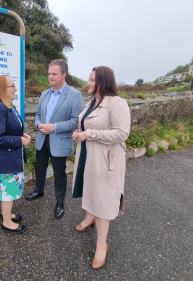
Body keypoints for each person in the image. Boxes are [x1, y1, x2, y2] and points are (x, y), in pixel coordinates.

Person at [71, 66, 131, 269]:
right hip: (87, 156)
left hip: (106, 161)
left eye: (92, 79)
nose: (88, 83)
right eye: (88, 79)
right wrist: (78, 133)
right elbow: (85, 125)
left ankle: (101, 245)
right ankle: (89, 218)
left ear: (103, 81)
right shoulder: (92, 102)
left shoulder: (117, 103)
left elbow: (122, 133)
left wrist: (90, 134)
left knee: (103, 201)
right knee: (89, 190)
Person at [25, 59, 83, 218]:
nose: (50, 77)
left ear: (64, 74)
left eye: (54, 74)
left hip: (60, 140)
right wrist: (38, 125)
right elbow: (37, 116)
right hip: (42, 138)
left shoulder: (75, 95)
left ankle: (60, 202)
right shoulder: (44, 94)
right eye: (49, 73)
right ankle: (39, 191)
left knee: (59, 173)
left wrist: (54, 127)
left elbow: (75, 121)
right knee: (39, 167)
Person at [0, 75, 31, 234]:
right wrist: (19, 141)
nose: (16, 89)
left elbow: (12, 128)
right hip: (4, 161)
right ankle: (7, 222)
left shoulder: (9, 106)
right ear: (3, 89)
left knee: (7, 191)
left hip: (8, 158)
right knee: (7, 192)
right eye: (12, 86)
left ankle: (7, 214)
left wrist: (22, 136)